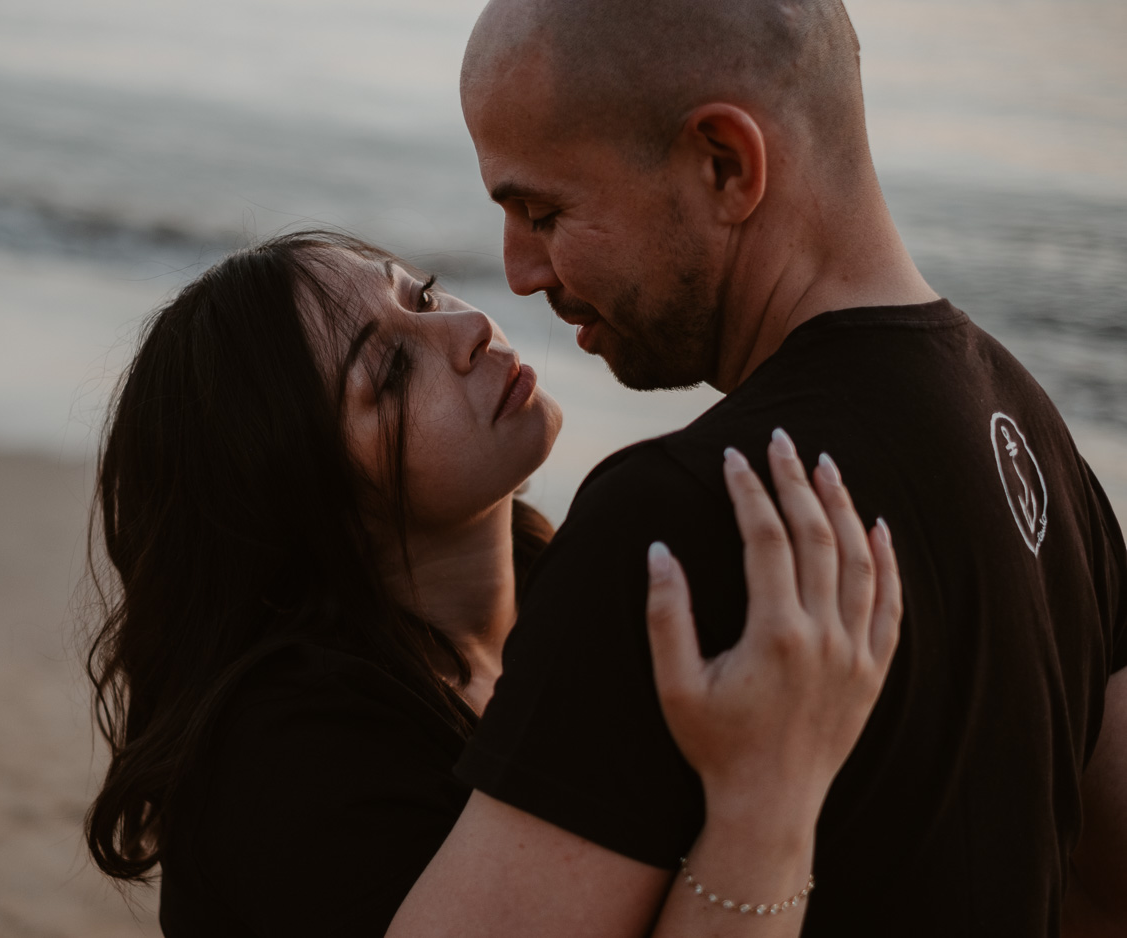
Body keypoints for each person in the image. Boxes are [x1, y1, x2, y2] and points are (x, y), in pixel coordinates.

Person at [382, 1, 1127, 936]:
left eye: (543, 210)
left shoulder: (681, 524)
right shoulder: (1036, 440)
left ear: (724, 165)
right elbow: (1108, 883)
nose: (520, 269)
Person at [82, 230, 901, 936]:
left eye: (426, 297)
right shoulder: (288, 761)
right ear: (309, 506)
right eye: (393, 374)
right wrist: (768, 797)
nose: (471, 328)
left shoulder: (574, 588)